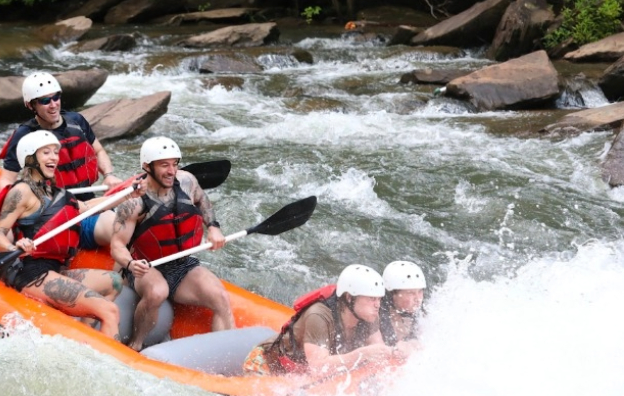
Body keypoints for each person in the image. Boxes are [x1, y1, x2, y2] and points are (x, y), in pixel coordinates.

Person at [0, 130, 142, 338]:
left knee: (114, 281)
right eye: (46, 152)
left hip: (55, 271)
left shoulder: (57, 193)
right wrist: (13, 247)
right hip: (31, 274)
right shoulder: (22, 191)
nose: (54, 157)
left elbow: (89, 207)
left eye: (55, 152)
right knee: (110, 311)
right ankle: (102, 358)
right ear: (30, 157)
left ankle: (86, 336)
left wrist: (127, 194)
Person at [108, 136, 233, 351]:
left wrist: (213, 226)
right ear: (147, 166)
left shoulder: (187, 181)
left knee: (220, 297)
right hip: (144, 265)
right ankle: (135, 345)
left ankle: (229, 354)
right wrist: (130, 265)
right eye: (164, 165)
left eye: (174, 164)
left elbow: (202, 200)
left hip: (181, 264)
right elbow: (117, 246)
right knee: (157, 291)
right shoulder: (134, 202)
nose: (171, 171)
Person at [0, 72, 122, 251]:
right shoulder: (24, 136)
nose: (53, 104)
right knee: (117, 226)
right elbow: (6, 180)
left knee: (133, 213)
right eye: (45, 101)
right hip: (55, 211)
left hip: (89, 201)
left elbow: (99, 150)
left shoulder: (76, 121)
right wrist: (14, 203)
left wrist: (109, 176)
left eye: (56, 97)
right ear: (30, 105)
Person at [243, 264, 400, 376]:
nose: (377, 305)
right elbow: (319, 367)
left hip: (303, 372)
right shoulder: (318, 316)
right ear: (349, 297)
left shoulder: (369, 315)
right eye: (372, 299)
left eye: (379, 299)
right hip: (268, 365)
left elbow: (379, 351)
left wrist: (398, 350)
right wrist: (363, 353)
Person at [380, 260, 426, 353]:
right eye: (410, 293)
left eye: (420, 291)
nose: (418, 299)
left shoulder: (422, 311)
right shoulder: (377, 314)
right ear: (393, 295)